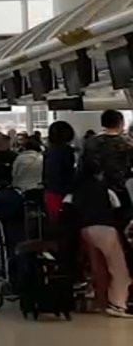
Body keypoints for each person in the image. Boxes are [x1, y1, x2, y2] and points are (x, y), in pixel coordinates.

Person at [64, 159, 133, 318]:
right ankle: (117, 304)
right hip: (104, 229)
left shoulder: (75, 189)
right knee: (119, 269)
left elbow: (67, 209)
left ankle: (99, 301)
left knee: (98, 268)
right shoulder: (105, 189)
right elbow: (117, 208)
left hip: (85, 231)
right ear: (98, 173)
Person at [81, 109, 133, 194]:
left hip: (95, 189)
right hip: (119, 189)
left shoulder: (90, 142)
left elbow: (83, 167)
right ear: (121, 123)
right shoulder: (127, 144)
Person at [43, 121, 77, 222]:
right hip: (65, 192)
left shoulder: (49, 151)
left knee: (56, 221)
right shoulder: (67, 152)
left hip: (51, 191)